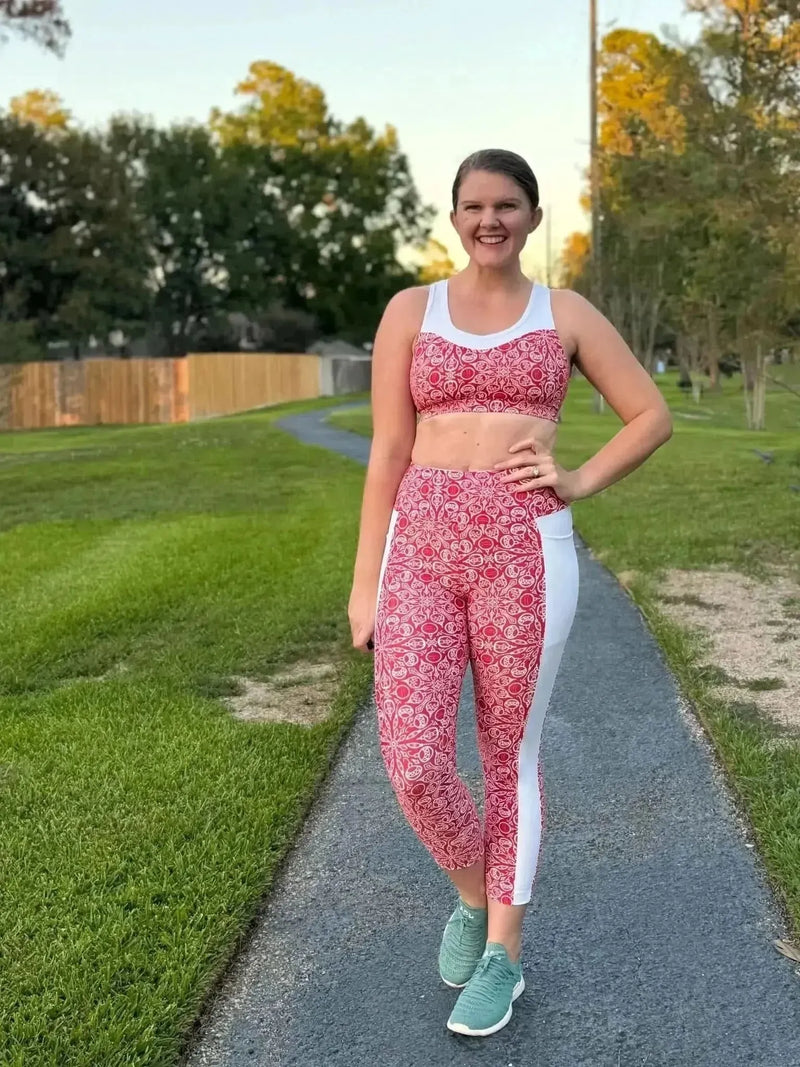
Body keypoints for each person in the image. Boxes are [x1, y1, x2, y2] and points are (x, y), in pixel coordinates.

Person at [348, 148, 672, 1038]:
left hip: (525, 549)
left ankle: (504, 953)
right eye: (473, 205)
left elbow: (651, 413)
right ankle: (468, 893)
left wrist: (577, 479)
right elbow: (386, 451)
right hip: (419, 546)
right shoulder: (410, 312)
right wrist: (363, 581)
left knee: (509, 757)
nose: (489, 219)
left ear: (532, 215)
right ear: (453, 216)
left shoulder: (562, 312)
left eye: (507, 205)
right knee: (414, 761)